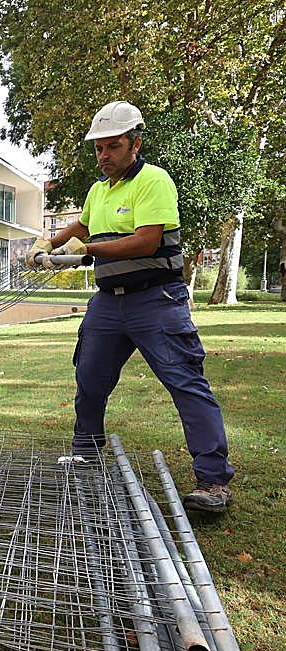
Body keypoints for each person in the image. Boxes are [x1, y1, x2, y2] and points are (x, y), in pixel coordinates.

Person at [25, 101, 235, 513]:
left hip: (157, 301)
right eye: (99, 149)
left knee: (185, 383)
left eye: (113, 147)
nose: (104, 156)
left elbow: (147, 241)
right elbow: (81, 225)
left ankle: (213, 482)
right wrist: (47, 242)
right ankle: (86, 449)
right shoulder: (98, 190)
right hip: (108, 304)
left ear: (134, 145)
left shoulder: (154, 182)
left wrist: (87, 249)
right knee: (89, 375)